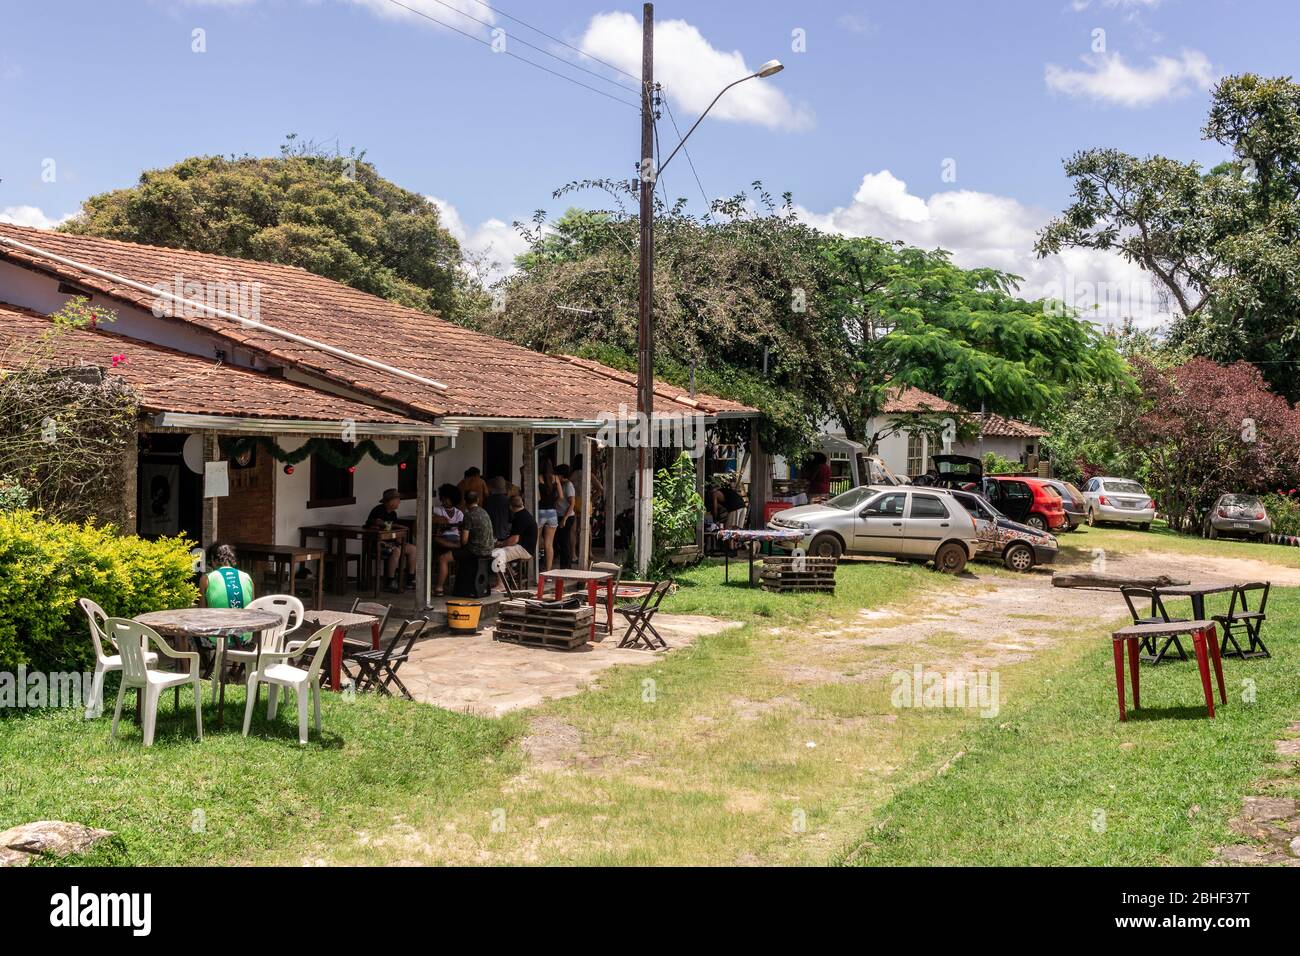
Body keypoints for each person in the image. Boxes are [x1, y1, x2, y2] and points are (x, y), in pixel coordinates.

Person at [367, 488, 418, 593]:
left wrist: (399, 538)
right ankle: (390, 581)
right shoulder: (378, 510)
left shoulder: (393, 514)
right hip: (378, 544)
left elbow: (394, 531)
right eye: (397, 499)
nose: (399, 502)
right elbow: (378, 522)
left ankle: (410, 579)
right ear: (390, 501)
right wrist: (397, 526)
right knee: (396, 551)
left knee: (413, 549)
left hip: (392, 542)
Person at [492, 494, 537, 592]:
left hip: (524, 549)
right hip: (525, 547)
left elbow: (514, 540)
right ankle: (510, 574)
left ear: (510, 507)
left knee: (497, 554)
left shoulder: (520, 517)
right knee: (501, 551)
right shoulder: (524, 514)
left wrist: (501, 543)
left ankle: (501, 585)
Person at [431, 483, 465, 596]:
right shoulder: (438, 510)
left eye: (447, 499)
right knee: (436, 541)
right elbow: (426, 512)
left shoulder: (459, 513)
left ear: (453, 499)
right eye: (443, 499)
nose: (444, 502)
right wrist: (436, 519)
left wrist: (449, 525)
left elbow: (461, 526)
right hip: (442, 539)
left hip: (455, 538)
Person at [199, 542, 253, 609]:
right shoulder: (247, 577)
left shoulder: (206, 579)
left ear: (213, 559)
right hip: (245, 619)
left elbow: (201, 611)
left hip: (217, 619)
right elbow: (253, 608)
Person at [536, 459, 563, 571]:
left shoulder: (538, 477)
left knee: (536, 543)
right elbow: (561, 496)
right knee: (549, 544)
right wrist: (553, 501)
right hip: (552, 513)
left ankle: (535, 571)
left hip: (540, 511)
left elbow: (538, 498)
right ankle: (548, 571)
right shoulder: (556, 478)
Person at [554, 463, 576, 569]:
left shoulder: (568, 485)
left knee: (564, 541)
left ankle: (566, 566)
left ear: (561, 475)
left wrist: (564, 519)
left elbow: (572, 503)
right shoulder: (560, 485)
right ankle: (564, 565)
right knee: (560, 540)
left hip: (566, 516)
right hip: (559, 515)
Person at [484, 475, 512, 540]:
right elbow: (511, 518)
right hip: (504, 533)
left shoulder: (488, 500)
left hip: (490, 533)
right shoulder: (508, 501)